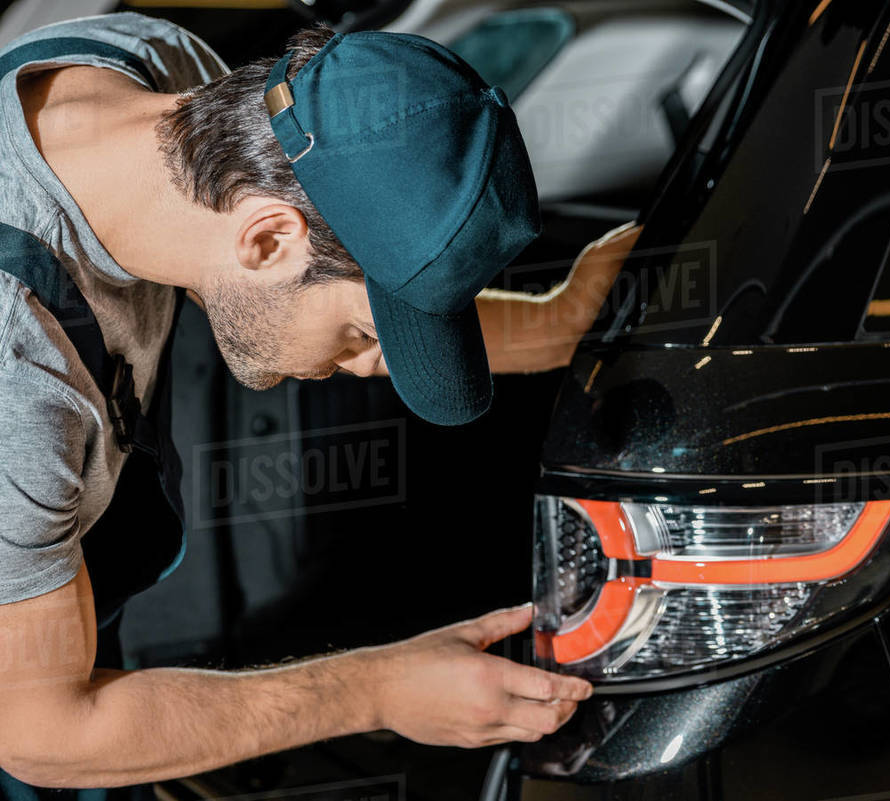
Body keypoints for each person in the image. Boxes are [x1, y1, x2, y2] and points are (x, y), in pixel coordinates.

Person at [0, 11, 642, 796]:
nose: (364, 363)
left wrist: (553, 321)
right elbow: (43, 732)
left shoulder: (164, 77)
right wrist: (380, 689)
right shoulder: (21, 380)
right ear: (268, 241)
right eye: (356, 331)